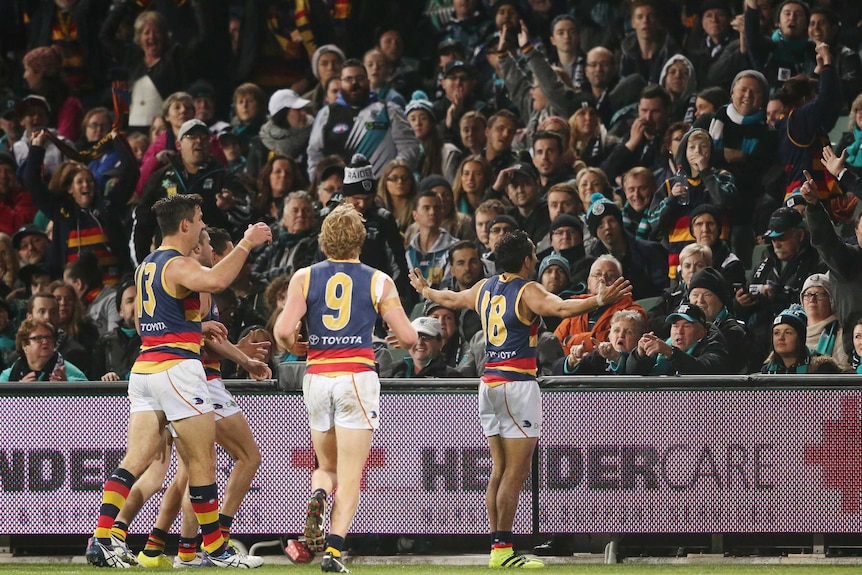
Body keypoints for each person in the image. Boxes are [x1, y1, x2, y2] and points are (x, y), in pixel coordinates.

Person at [408, 230, 631, 570]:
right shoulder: (526, 290)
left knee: (499, 469)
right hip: (516, 384)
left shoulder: (485, 287)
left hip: (489, 382)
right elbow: (559, 306)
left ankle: (498, 548)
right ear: (527, 260)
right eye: (533, 255)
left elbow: (452, 299)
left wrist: (426, 290)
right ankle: (503, 550)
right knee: (516, 470)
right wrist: (599, 299)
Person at [85, 193, 271, 568]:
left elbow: (145, 323)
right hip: (178, 371)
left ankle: (102, 538)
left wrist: (193, 326)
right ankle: (215, 550)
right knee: (201, 463)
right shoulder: (177, 264)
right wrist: (248, 242)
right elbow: (217, 279)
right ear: (185, 224)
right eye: (200, 219)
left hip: (145, 369)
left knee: (135, 460)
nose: (203, 225)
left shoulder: (146, 267)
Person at [274, 204, 418, 573]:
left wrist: (294, 347)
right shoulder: (377, 279)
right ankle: (334, 553)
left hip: (318, 376)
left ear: (323, 241)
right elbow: (408, 335)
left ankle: (319, 493)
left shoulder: (303, 277)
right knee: (352, 475)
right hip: (356, 375)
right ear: (361, 240)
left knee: (326, 466)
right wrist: (399, 340)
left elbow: (282, 331)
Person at [306, 58, 419, 181]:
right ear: (340, 83)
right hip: (339, 193)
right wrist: (319, 184)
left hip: (381, 191)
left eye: (359, 78)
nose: (354, 84)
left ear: (368, 81)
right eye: (348, 79)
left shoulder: (389, 110)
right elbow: (314, 153)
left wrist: (393, 177)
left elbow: (409, 147)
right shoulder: (326, 114)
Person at [554, 255, 646, 355]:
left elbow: (615, 341)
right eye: (597, 275)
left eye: (610, 276)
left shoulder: (633, 311)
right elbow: (555, 344)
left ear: (620, 283)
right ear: (589, 283)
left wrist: (570, 340)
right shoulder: (575, 307)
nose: (603, 279)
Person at [626, 302, 730, 375]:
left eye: (687, 326)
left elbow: (703, 371)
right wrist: (639, 355)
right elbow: (632, 373)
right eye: (675, 325)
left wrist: (671, 353)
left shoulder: (714, 349)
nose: (679, 331)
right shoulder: (661, 347)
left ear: (701, 333)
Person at [551, 309, 646, 375]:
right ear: (609, 336)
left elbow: (634, 370)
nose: (621, 335)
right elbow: (555, 370)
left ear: (639, 338)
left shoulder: (644, 358)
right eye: (616, 331)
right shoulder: (598, 357)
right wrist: (572, 361)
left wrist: (617, 358)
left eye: (628, 332)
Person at [0, 317, 87, 382]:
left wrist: (66, 388)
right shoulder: (8, 377)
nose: (45, 341)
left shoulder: (70, 373)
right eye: (38, 338)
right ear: (24, 345)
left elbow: (87, 402)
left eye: (48, 337)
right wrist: (20, 393)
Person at [92, 275, 140, 382]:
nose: (137, 305)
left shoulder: (155, 339)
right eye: (130, 300)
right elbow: (93, 381)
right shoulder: (105, 342)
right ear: (120, 311)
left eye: (140, 299)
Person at [799, 273, 847, 366]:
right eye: (808, 294)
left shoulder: (840, 334)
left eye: (819, 294)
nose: (812, 299)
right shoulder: (794, 332)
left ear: (831, 300)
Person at [391, 317, 463, 378]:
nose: (419, 343)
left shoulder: (451, 376)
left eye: (425, 338)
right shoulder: (396, 370)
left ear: (439, 342)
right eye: (415, 337)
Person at [761, 305, 817, 374]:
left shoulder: (821, 368)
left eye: (788, 332)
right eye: (776, 333)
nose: (781, 338)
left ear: (800, 338)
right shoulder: (766, 370)